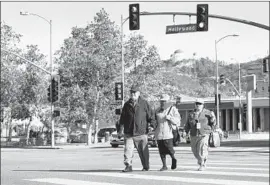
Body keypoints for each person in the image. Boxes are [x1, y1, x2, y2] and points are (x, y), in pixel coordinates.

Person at [118, 84, 155, 172]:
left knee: (143, 152)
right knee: (128, 150)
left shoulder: (144, 103)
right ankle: (128, 165)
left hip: (141, 132)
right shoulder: (127, 105)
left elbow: (151, 116)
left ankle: (146, 166)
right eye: (131, 92)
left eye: (134, 92)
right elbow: (122, 119)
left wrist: (153, 125)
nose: (132, 94)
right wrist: (120, 130)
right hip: (129, 132)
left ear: (138, 93)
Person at [184, 98, 216, 171]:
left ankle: (202, 164)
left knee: (202, 149)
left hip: (204, 134)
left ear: (203, 105)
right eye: (197, 103)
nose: (198, 105)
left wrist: (213, 117)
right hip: (194, 134)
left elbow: (213, 123)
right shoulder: (191, 114)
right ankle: (202, 160)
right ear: (195, 104)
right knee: (195, 151)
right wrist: (185, 131)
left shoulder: (208, 113)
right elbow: (187, 124)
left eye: (200, 104)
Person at [154, 94, 181, 171]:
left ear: (168, 101)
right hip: (159, 133)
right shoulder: (157, 110)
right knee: (161, 150)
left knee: (169, 149)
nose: (163, 103)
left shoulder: (173, 109)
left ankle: (173, 158)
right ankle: (164, 165)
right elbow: (154, 120)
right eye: (161, 101)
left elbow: (177, 121)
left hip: (168, 133)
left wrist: (170, 118)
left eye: (164, 101)